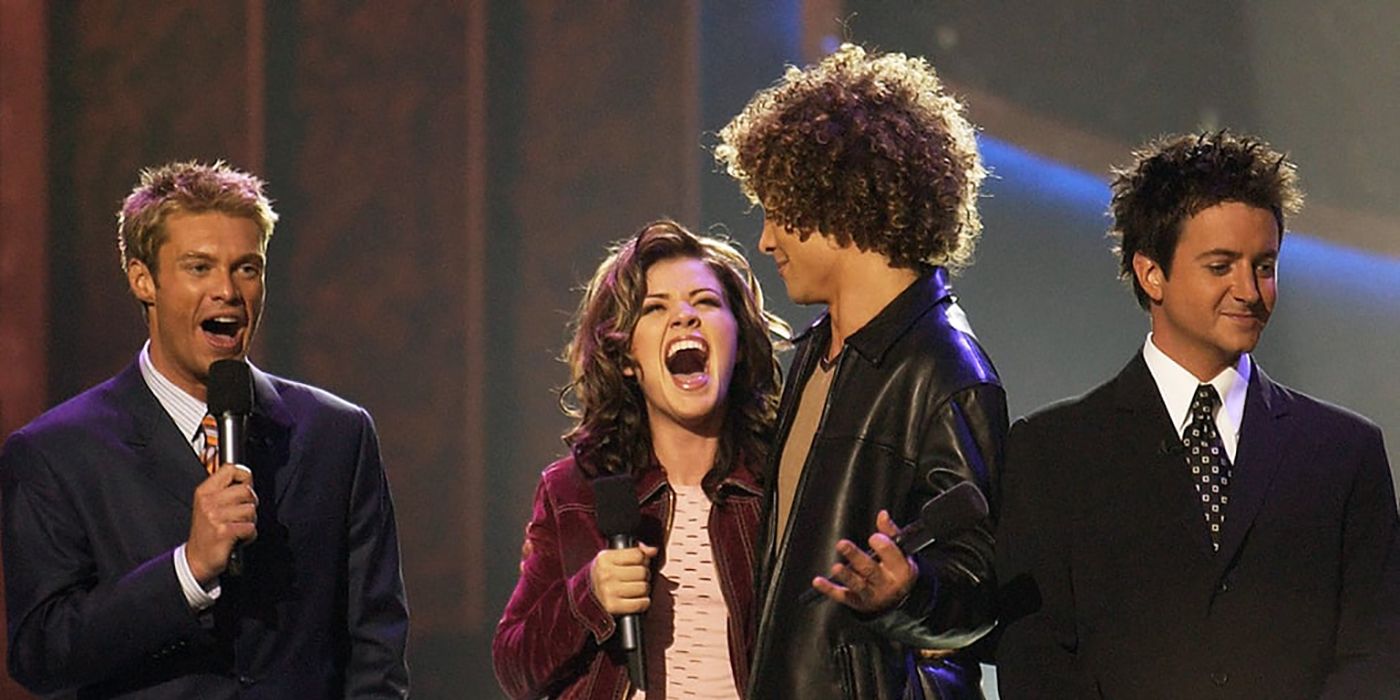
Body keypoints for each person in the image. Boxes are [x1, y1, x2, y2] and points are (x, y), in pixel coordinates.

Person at [993, 131, 1400, 698]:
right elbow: (1037, 663)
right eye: (1220, 266)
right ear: (1151, 273)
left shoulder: (1343, 455)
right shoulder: (1053, 453)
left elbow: (1375, 654)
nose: (1250, 291)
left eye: (1264, 266)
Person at [0, 161, 410, 698]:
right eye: (199, 268)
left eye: (247, 268)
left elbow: (375, 648)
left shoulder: (337, 435)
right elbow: (42, 653)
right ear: (143, 278)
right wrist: (186, 572)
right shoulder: (56, 453)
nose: (228, 291)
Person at [715, 44, 1008, 699]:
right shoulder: (818, 354)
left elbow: (983, 583)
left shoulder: (945, 371)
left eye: (775, 208)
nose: (765, 241)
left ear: (834, 201)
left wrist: (908, 592)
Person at [492, 220, 789, 699]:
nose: (685, 317)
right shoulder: (575, 491)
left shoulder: (785, 482)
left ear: (738, 345)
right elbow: (514, 665)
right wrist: (588, 596)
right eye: (655, 308)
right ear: (627, 357)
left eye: (707, 302)